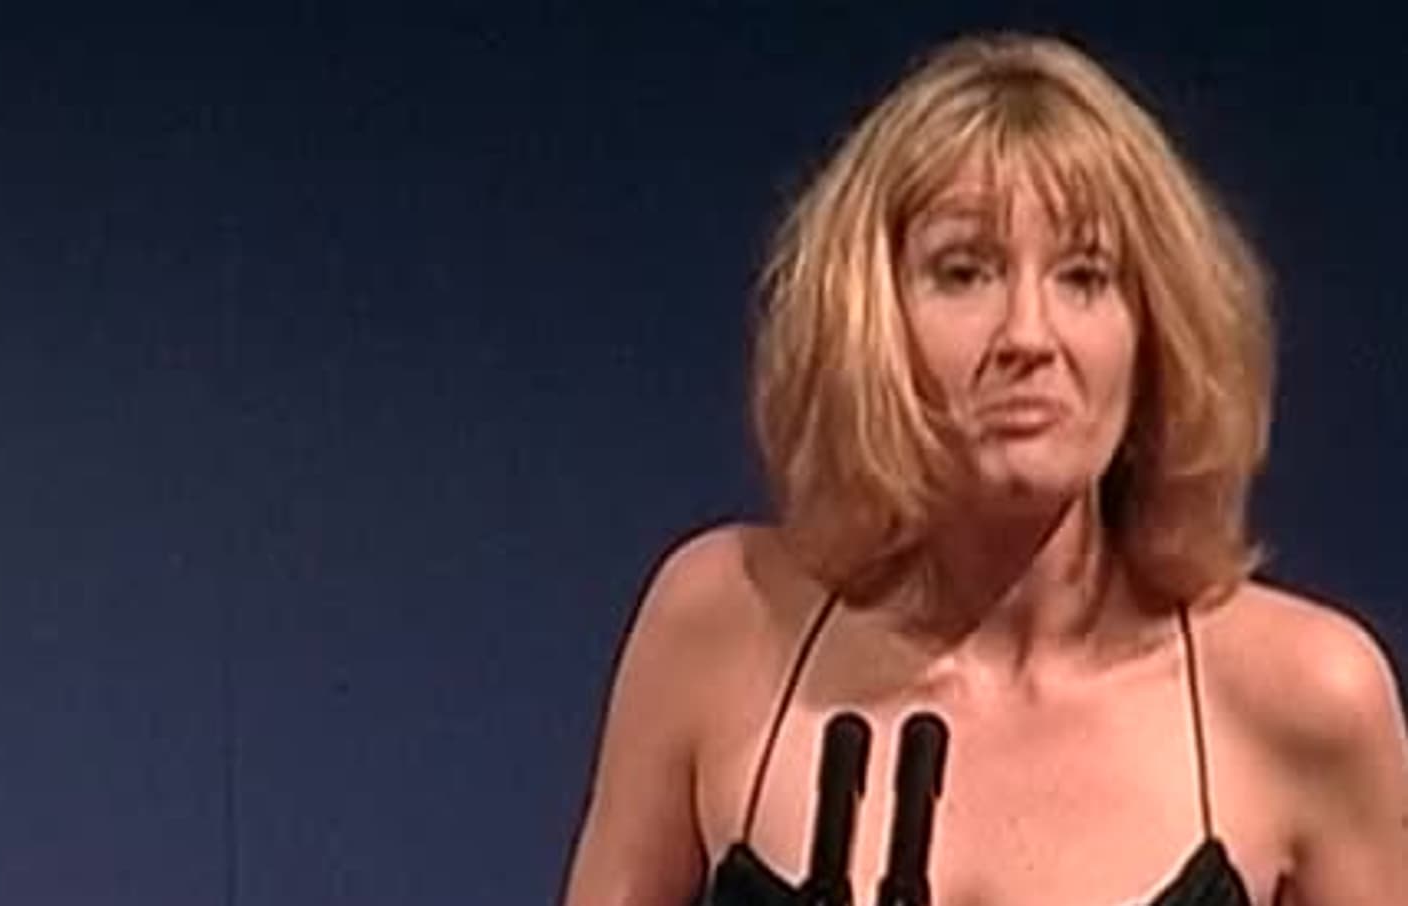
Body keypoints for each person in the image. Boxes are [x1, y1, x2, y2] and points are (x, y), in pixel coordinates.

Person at [560, 32, 1408, 906]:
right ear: (870, 322)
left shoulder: (1310, 700)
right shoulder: (720, 624)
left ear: (1153, 332)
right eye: (964, 273)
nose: (1028, 337)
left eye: (1084, 276)